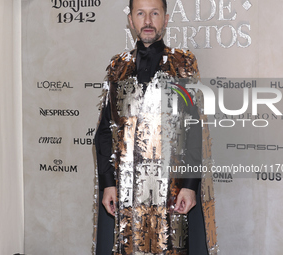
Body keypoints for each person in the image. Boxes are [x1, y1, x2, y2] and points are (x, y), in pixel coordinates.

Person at [93, 0, 218, 254]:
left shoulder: (183, 64)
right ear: (131, 20)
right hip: (125, 191)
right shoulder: (117, 68)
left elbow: (195, 128)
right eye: (141, 14)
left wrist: (190, 185)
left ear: (166, 18)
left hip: (172, 191)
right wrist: (108, 183)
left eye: (154, 14)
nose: (147, 21)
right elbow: (105, 131)